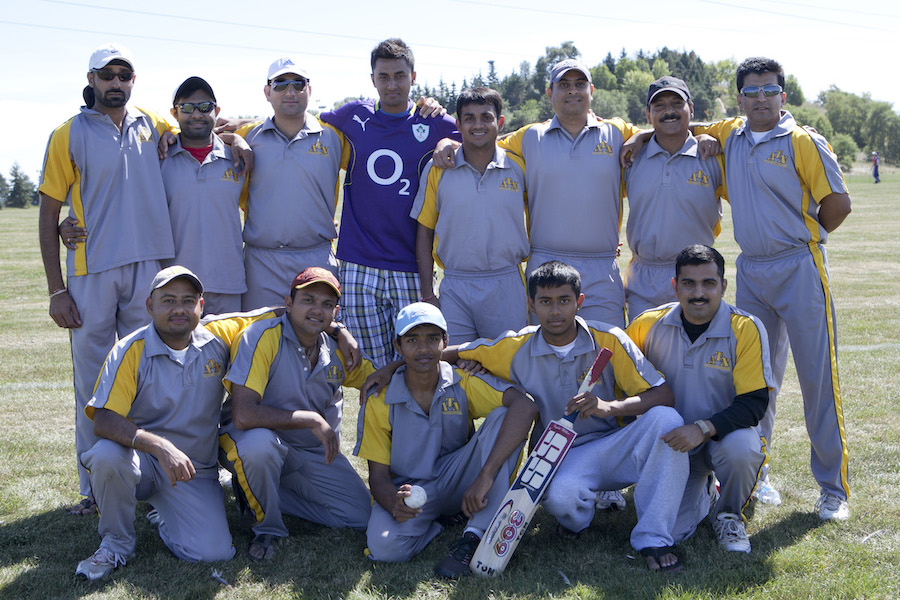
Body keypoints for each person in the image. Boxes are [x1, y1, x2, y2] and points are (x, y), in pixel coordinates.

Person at [446, 261, 689, 573]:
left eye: (564, 300)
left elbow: (663, 394)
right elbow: (449, 353)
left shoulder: (608, 338)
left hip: (616, 446)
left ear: (579, 301)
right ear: (531, 305)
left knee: (667, 420)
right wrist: (393, 367)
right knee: (561, 498)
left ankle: (654, 538)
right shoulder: (515, 346)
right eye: (545, 302)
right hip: (562, 457)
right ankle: (578, 520)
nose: (555, 311)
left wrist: (609, 407)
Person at [692, 57, 852, 520]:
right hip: (753, 270)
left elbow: (838, 204)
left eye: (769, 90)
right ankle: (756, 476)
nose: (760, 98)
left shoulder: (802, 140)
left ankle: (833, 489)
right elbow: (683, 124)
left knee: (817, 380)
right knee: (756, 380)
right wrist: (646, 137)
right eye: (751, 91)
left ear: (783, 95)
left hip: (799, 265)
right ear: (739, 98)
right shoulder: (731, 133)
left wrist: (805, 238)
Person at [39, 43, 175, 515]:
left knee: (150, 379)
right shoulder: (67, 134)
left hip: (148, 268)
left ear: (133, 80)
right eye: (107, 75)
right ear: (92, 80)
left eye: (124, 75)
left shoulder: (154, 123)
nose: (116, 82)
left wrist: (236, 139)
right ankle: (95, 489)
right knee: (94, 386)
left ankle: (155, 483)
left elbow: (206, 124)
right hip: (90, 272)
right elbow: (48, 214)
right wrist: (57, 290)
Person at [75, 266, 273, 580]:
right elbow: (103, 419)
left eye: (188, 300)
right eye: (168, 300)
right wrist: (160, 446)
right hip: (142, 463)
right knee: (106, 455)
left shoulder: (219, 336)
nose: (179, 309)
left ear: (201, 306)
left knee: (213, 553)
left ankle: (165, 514)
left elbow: (280, 314)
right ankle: (115, 544)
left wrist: (337, 330)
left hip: (194, 470)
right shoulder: (129, 350)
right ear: (150, 306)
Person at [434, 59, 643, 329]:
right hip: (545, 266)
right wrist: (446, 142)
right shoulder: (530, 137)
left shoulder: (617, 132)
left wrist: (644, 136)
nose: (572, 90)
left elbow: (667, 131)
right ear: (549, 93)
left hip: (601, 269)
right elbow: (482, 141)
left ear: (591, 90)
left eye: (580, 84)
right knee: (545, 349)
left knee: (606, 347)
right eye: (564, 84)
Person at [355, 302, 537, 578]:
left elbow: (525, 406)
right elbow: (378, 477)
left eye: (432, 339)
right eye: (412, 340)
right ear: (398, 346)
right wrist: (395, 503)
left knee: (504, 417)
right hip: (411, 489)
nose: (423, 348)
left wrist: (485, 475)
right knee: (385, 548)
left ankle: (477, 533)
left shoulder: (462, 379)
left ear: (445, 342)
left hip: (459, 477)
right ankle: (439, 522)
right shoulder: (380, 398)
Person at [318, 39, 460, 367]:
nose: (392, 84)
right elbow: (300, 122)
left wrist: (447, 140)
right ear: (372, 79)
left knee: (418, 365)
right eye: (383, 77)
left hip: (412, 266)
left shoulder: (434, 122)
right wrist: (236, 133)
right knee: (370, 367)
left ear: (413, 77)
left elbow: (479, 139)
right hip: (358, 264)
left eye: (399, 76)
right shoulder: (354, 114)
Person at [219, 267, 374, 560]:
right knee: (260, 447)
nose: (317, 310)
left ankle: (254, 488)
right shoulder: (262, 336)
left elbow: (377, 379)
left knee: (361, 515)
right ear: (289, 303)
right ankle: (268, 528)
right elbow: (243, 415)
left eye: (327, 304)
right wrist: (310, 418)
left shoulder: (336, 349)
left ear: (335, 313)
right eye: (308, 300)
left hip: (306, 449)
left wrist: (448, 363)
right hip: (249, 438)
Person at [626, 245, 773, 553]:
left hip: (720, 438)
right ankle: (705, 489)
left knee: (743, 448)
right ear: (674, 286)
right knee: (674, 533)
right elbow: (622, 387)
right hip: (671, 447)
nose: (698, 293)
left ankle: (729, 515)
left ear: (724, 285)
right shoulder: (645, 325)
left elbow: (754, 404)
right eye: (688, 283)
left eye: (708, 283)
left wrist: (703, 429)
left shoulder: (745, 327)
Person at [410, 87, 530, 344]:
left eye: (486, 117)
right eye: (469, 118)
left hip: (506, 282)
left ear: (500, 122)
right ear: (458, 125)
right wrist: (428, 294)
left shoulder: (518, 166)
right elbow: (424, 231)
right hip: (456, 286)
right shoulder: (438, 167)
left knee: (507, 362)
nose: (478, 125)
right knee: (454, 362)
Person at [231, 58, 346, 310]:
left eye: (298, 84)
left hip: (316, 257)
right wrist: (233, 137)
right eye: (280, 84)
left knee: (318, 332)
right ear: (267, 92)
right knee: (260, 332)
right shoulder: (247, 136)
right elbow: (200, 136)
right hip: (261, 262)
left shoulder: (334, 137)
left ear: (310, 90)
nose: (290, 92)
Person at [622, 77, 725, 320]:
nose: (669, 111)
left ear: (691, 108)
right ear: (648, 115)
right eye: (659, 106)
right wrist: (642, 137)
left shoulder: (713, 156)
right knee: (644, 344)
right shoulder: (630, 157)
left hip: (696, 275)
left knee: (697, 344)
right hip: (644, 277)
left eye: (677, 104)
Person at [162, 76, 246, 315]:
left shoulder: (238, 158)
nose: (196, 114)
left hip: (228, 284)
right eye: (187, 108)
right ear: (174, 113)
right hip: (176, 286)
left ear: (217, 111)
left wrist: (237, 136)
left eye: (205, 107)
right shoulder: (159, 158)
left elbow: (275, 121)